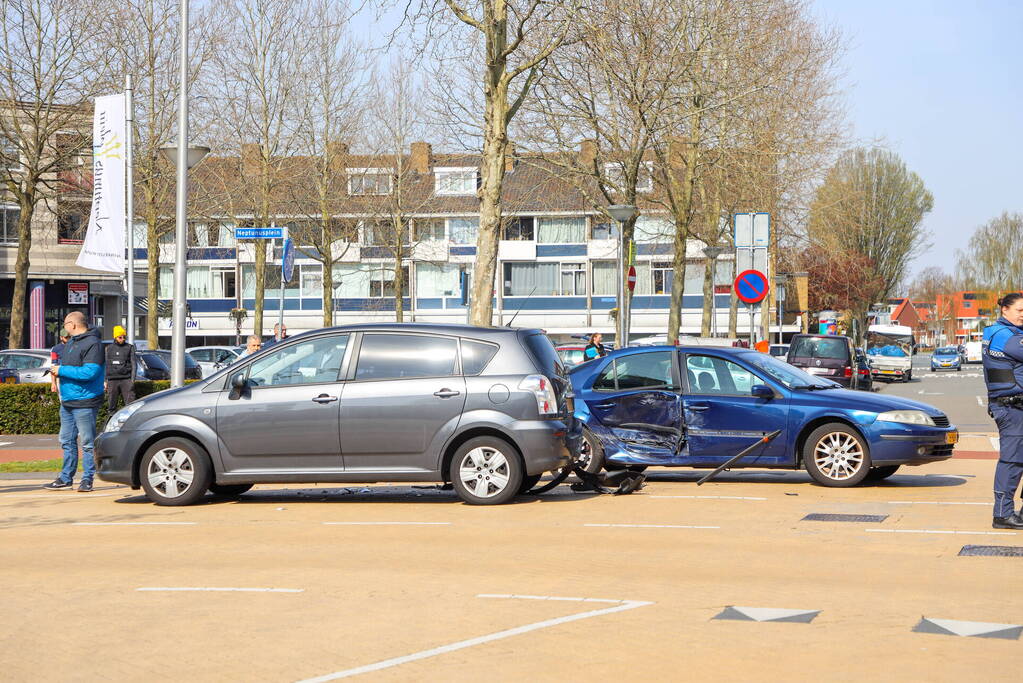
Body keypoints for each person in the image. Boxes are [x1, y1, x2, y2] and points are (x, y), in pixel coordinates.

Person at [43, 311, 105, 493]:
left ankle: (87, 479)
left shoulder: (93, 344)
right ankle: (65, 478)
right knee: (66, 440)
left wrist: (61, 370)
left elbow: (89, 373)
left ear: (73, 325)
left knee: (87, 442)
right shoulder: (71, 342)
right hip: (68, 401)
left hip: (85, 400)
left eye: (65, 324)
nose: (64, 328)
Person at [981, 292, 1023, 529]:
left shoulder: (1004, 333)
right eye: (1020, 310)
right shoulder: (1006, 336)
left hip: (1013, 405)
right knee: (1013, 460)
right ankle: (1003, 514)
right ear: (1005, 310)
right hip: (1011, 407)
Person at [105, 325, 136, 412]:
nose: (122, 339)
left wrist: (132, 381)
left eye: (124, 337)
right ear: (115, 337)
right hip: (112, 380)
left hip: (126, 379)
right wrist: (105, 380)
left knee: (131, 406)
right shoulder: (108, 348)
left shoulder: (130, 347)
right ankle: (111, 421)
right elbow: (106, 365)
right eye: (120, 337)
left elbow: (134, 364)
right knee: (111, 406)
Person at [50, 328, 70, 394]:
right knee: (63, 400)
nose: (68, 339)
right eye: (66, 337)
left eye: (69, 337)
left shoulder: (76, 346)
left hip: (73, 378)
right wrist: (53, 383)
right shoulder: (55, 349)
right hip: (61, 379)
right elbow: (53, 366)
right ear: (61, 337)